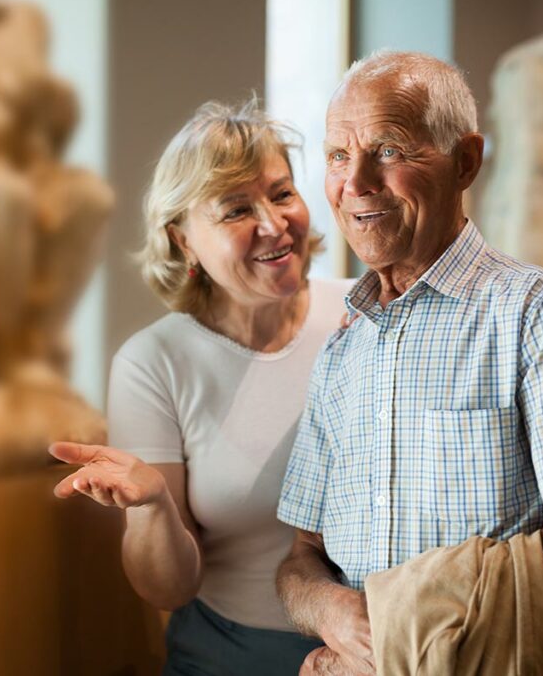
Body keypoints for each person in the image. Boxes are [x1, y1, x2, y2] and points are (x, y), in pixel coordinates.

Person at [275, 50, 543, 674]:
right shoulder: (343, 349)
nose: (356, 182)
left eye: (389, 150)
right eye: (339, 155)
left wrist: (395, 648)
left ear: (466, 161)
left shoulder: (539, 311)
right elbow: (300, 559)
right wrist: (333, 614)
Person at [49, 101, 349, 675]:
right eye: (236, 209)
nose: (272, 223)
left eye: (282, 193)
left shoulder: (365, 310)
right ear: (182, 239)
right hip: (229, 657)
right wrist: (154, 507)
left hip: (383, 648)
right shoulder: (153, 363)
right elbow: (167, 590)